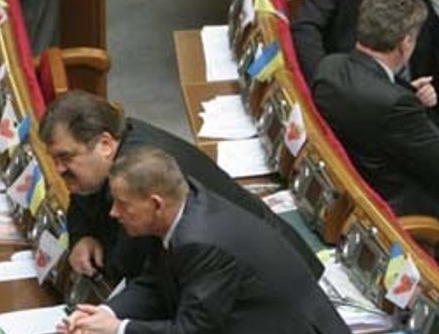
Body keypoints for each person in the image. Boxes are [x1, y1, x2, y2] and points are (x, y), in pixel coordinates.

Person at [59, 148, 362, 334]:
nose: (113, 213)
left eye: (122, 204)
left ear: (156, 204)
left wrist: (117, 332)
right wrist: (106, 314)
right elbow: (155, 281)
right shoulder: (180, 208)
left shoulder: (201, 241)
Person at [40, 91, 322, 283]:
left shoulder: (139, 174)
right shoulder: (114, 145)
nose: (59, 169)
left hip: (273, 278)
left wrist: (97, 242)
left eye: (66, 157)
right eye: (54, 159)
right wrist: (82, 235)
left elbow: (123, 269)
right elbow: (82, 192)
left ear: (104, 144)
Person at [313, 0, 439, 279]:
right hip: (433, 223)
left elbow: (374, 103)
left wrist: (407, 96)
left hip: (372, 182)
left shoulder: (330, 68)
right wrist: (416, 110)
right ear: (405, 44)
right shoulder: (395, 104)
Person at [292, 0, 439, 193]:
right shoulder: (332, 69)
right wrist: (332, 84)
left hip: (425, 98)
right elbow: (305, 28)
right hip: (368, 106)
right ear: (406, 43)